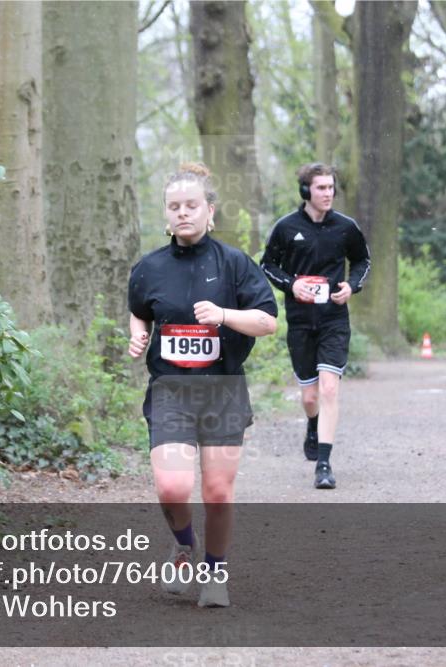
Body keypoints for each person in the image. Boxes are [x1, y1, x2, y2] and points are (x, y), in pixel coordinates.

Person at [128, 162, 278, 608]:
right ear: (166, 214)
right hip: (171, 390)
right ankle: (182, 546)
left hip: (223, 390)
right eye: (174, 207)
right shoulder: (149, 267)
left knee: (216, 491)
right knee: (172, 487)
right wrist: (138, 332)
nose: (183, 214)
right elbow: (139, 309)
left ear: (210, 211)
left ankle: (215, 572)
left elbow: (268, 321)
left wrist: (225, 315)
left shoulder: (234, 263)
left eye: (192, 205)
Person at [260, 163, 370, 490]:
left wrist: (352, 286)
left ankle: (323, 464)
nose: (327, 194)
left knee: (330, 388)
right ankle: (312, 423)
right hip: (300, 321)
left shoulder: (346, 227)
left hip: (334, 319)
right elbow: (268, 264)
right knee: (310, 397)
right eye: (320, 188)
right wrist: (291, 285)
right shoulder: (286, 227)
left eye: (331, 187)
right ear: (306, 191)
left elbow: (363, 261)